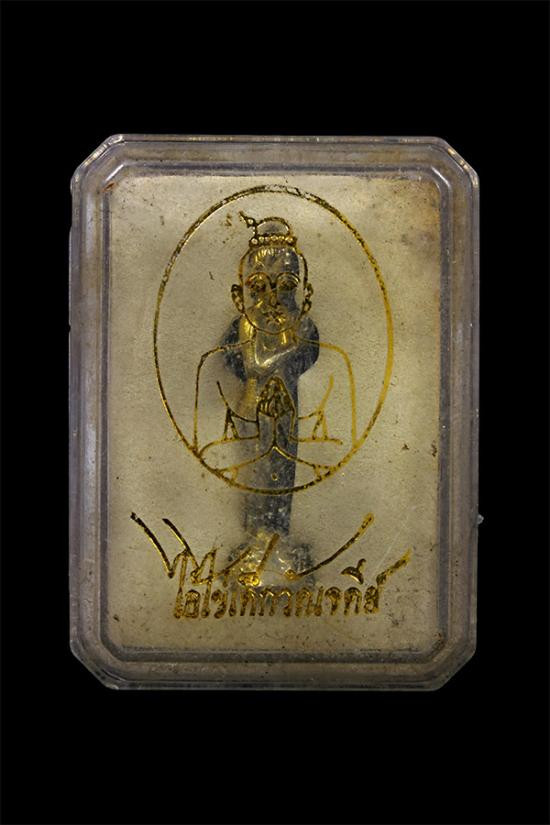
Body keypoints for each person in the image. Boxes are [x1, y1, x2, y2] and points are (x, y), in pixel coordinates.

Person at [193, 213, 357, 583]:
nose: (272, 298)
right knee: (255, 474)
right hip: (252, 410)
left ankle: (278, 539)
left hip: (287, 411)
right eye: (260, 286)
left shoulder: (300, 322)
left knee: (284, 473)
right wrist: (284, 353)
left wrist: (290, 347)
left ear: (299, 290)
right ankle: (256, 542)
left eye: (284, 286)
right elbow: (251, 363)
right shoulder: (246, 324)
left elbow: (308, 355)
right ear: (244, 292)